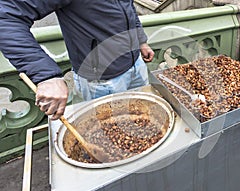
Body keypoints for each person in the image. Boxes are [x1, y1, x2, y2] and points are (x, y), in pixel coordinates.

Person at [0, 0, 154, 120]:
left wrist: (141, 41)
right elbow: (6, 17)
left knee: (142, 116)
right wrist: (46, 76)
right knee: (107, 132)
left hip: (135, 64)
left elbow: (129, 9)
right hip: (101, 80)